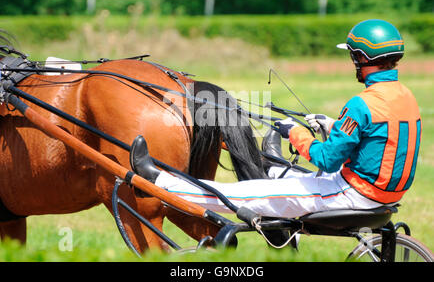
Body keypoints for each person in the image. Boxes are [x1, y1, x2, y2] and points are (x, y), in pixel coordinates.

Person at [133, 19, 421, 220]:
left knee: (245, 195)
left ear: (361, 58)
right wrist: (332, 125)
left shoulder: (363, 104)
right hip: (383, 196)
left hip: (351, 194)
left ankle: (158, 180)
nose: (353, 64)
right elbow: (381, 136)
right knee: (282, 177)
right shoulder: (405, 96)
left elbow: (327, 160)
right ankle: (270, 168)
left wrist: (295, 132)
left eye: (353, 58)